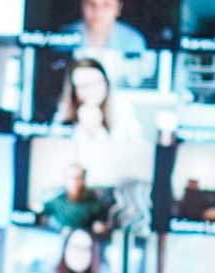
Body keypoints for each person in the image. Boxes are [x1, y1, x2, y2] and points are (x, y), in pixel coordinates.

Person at [53, 57, 147, 185]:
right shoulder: (64, 114)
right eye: (83, 86)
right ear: (74, 91)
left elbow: (137, 157)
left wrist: (97, 131)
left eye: (96, 82)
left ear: (106, 82)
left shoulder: (123, 109)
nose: (92, 90)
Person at [61, 0, 147, 53]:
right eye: (91, 3)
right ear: (82, 5)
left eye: (106, 4)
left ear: (118, 8)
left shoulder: (132, 40)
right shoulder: (63, 37)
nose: (97, 11)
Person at [38, 163, 112, 233]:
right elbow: (39, 214)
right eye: (75, 178)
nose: (79, 182)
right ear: (66, 180)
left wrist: (101, 227)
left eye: (82, 178)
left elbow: (105, 223)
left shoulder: (96, 204)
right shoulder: (55, 202)